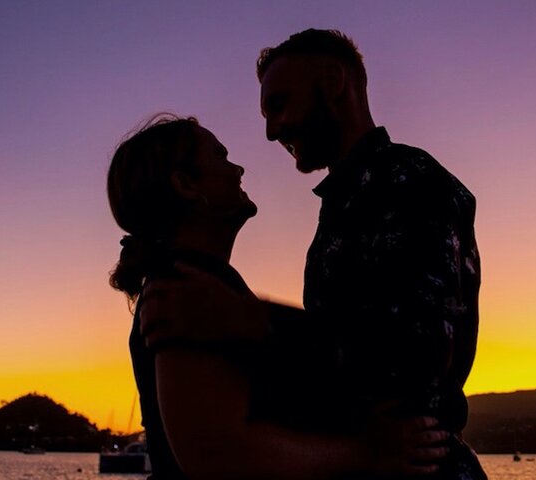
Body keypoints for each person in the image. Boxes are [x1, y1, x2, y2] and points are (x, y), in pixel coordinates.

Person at [141, 29, 487, 479]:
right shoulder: (341, 208)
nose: (270, 132)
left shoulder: (413, 182)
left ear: (333, 80)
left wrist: (251, 321)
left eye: (280, 104)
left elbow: (417, 353)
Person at [108, 114, 449, 480]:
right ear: (186, 185)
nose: (238, 168)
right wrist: (368, 453)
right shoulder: (182, 290)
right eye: (220, 156)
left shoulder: (206, 287)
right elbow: (216, 456)